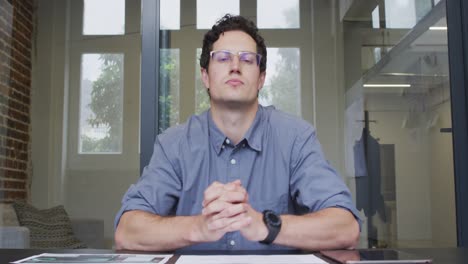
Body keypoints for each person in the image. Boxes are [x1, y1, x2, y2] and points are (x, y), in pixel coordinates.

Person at [114, 14, 360, 252]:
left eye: (247, 59)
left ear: (261, 77)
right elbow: (127, 231)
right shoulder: (174, 145)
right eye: (222, 58)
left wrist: (264, 225)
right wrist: (199, 227)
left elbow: (346, 228)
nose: (234, 66)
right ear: (205, 76)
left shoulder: (296, 138)